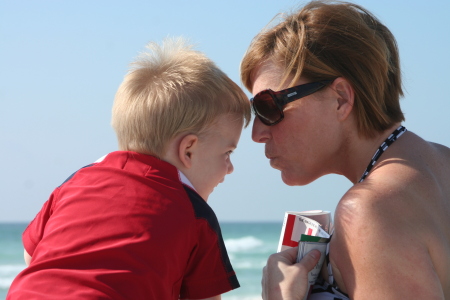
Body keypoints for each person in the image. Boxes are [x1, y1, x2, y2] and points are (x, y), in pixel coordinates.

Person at [7, 37, 251, 300]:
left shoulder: (78, 180)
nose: (230, 168)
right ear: (188, 150)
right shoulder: (196, 213)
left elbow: (30, 254)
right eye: (227, 153)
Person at [240, 1, 450, 299]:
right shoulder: (442, 161)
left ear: (340, 98)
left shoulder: (370, 213)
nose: (257, 133)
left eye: (268, 107)